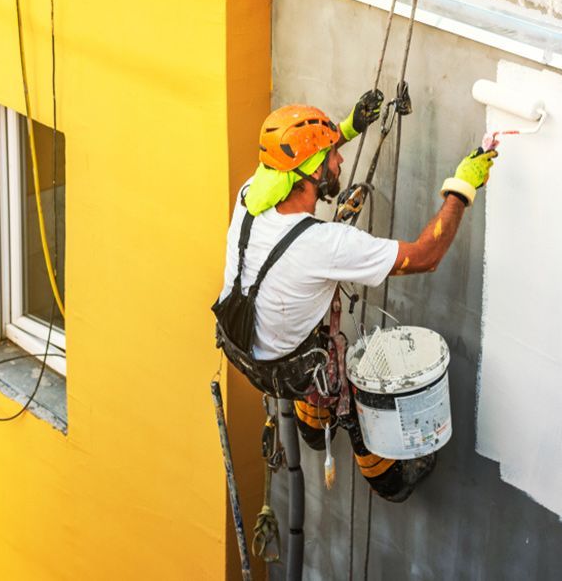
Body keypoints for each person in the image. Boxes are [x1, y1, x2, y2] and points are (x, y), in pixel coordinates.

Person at [213, 90, 497, 502]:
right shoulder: (327, 244)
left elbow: (299, 162)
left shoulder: (250, 195)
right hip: (288, 366)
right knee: (355, 384)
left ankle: (312, 428)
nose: (340, 160)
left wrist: (347, 128)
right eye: (332, 156)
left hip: (241, 346)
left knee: (314, 334)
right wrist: (462, 186)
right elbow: (426, 255)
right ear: (310, 174)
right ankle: (384, 475)